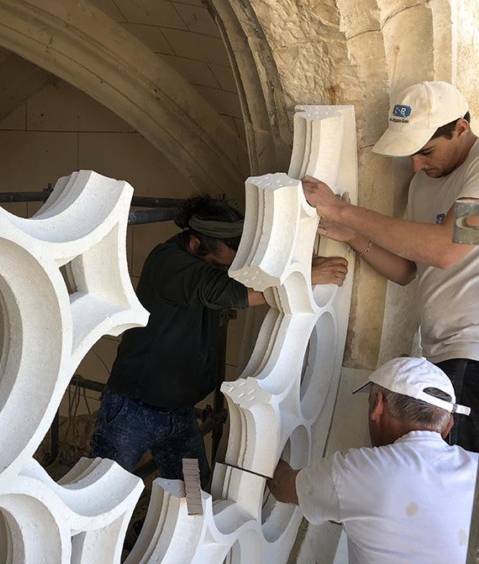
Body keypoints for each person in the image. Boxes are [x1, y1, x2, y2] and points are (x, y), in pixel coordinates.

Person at [90, 195, 348, 487]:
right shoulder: (169, 263)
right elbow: (230, 291)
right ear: (195, 244)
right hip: (132, 411)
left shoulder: (205, 255)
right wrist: (307, 277)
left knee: (193, 495)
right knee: (103, 490)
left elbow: (253, 272)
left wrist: (305, 263)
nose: (228, 268)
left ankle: (174, 529)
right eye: (219, 263)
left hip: (180, 414)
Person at [302, 81, 479, 451]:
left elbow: (447, 248)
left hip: (473, 352)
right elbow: (407, 270)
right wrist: (352, 236)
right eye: (410, 153)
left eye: (426, 151)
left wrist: (341, 209)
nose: (416, 164)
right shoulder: (422, 184)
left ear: (460, 129)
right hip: (444, 355)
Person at [268, 356, 478, 564]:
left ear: (377, 405)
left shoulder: (358, 472)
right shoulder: (474, 465)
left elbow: (282, 486)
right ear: (448, 426)